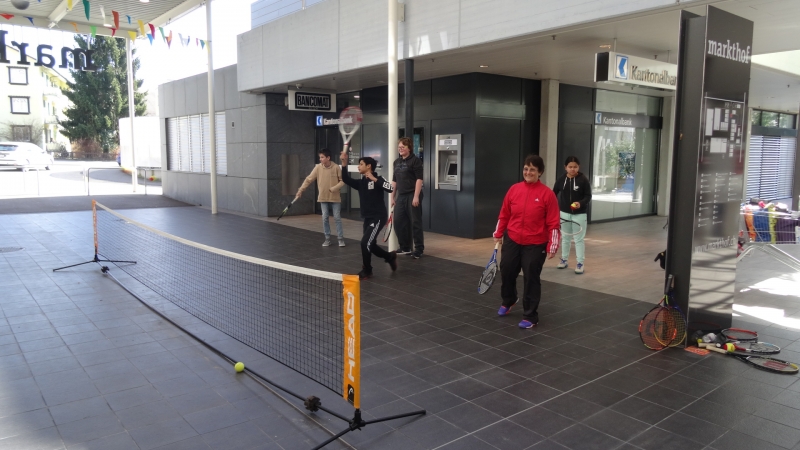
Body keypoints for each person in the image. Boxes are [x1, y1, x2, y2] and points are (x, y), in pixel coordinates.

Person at [493, 155, 560, 329]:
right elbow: (504, 214)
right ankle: (509, 300)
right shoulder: (514, 190)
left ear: (540, 172)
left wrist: (553, 245)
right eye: (526, 169)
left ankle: (530, 316)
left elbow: (553, 222)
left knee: (531, 277)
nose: (528, 172)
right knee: (507, 270)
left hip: (536, 243)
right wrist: (498, 232)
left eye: (532, 169)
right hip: (513, 239)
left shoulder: (547, 194)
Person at [340, 147, 398, 280]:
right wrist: (344, 163)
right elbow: (345, 179)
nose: (358, 166)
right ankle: (389, 256)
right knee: (370, 245)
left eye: (361, 164)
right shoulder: (361, 183)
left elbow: (390, 188)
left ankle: (367, 270)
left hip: (378, 217)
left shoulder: (379, 179)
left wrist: (374, 179)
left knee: (364, 243)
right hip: (367, 218)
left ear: (369, 166)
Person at [295, 148, 345, 247]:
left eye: (322, 157)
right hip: (323, 197)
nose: (320, 159)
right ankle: (327, 239)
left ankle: (340, 239)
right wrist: (300, 190)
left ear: (328, 158)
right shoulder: (318, 168)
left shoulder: (336, 167)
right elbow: (308, 179)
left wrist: (334, 188)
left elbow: (342, 181)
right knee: (325, 217)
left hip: (335, 197)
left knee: (337, 218)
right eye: (320, 157)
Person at [552, 156, 592, 274]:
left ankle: (580, 263)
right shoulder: (561, 180)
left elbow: (588, 196)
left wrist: (580, 203)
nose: (572, 169)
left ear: (578, 167)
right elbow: (553, 194)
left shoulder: (583, 180)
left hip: (579, 214)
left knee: (579, 240)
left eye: (575, 167)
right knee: (565, 238)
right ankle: (564, 260)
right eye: (570, 167)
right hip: (564, 214)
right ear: (565, 167)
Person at [391, 137, 424, 258]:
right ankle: (405, 247)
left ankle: (419, 249)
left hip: (412, 194)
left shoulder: (415, 161)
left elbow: (419, 179)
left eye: (403, 147)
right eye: (399, 147)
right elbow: (394, 181)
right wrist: (392, 197)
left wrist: (416, 196)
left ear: (409, 148)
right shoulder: (396, 162)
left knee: (415, 222)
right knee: (399, 221)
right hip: (401, 195)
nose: (400, 149)